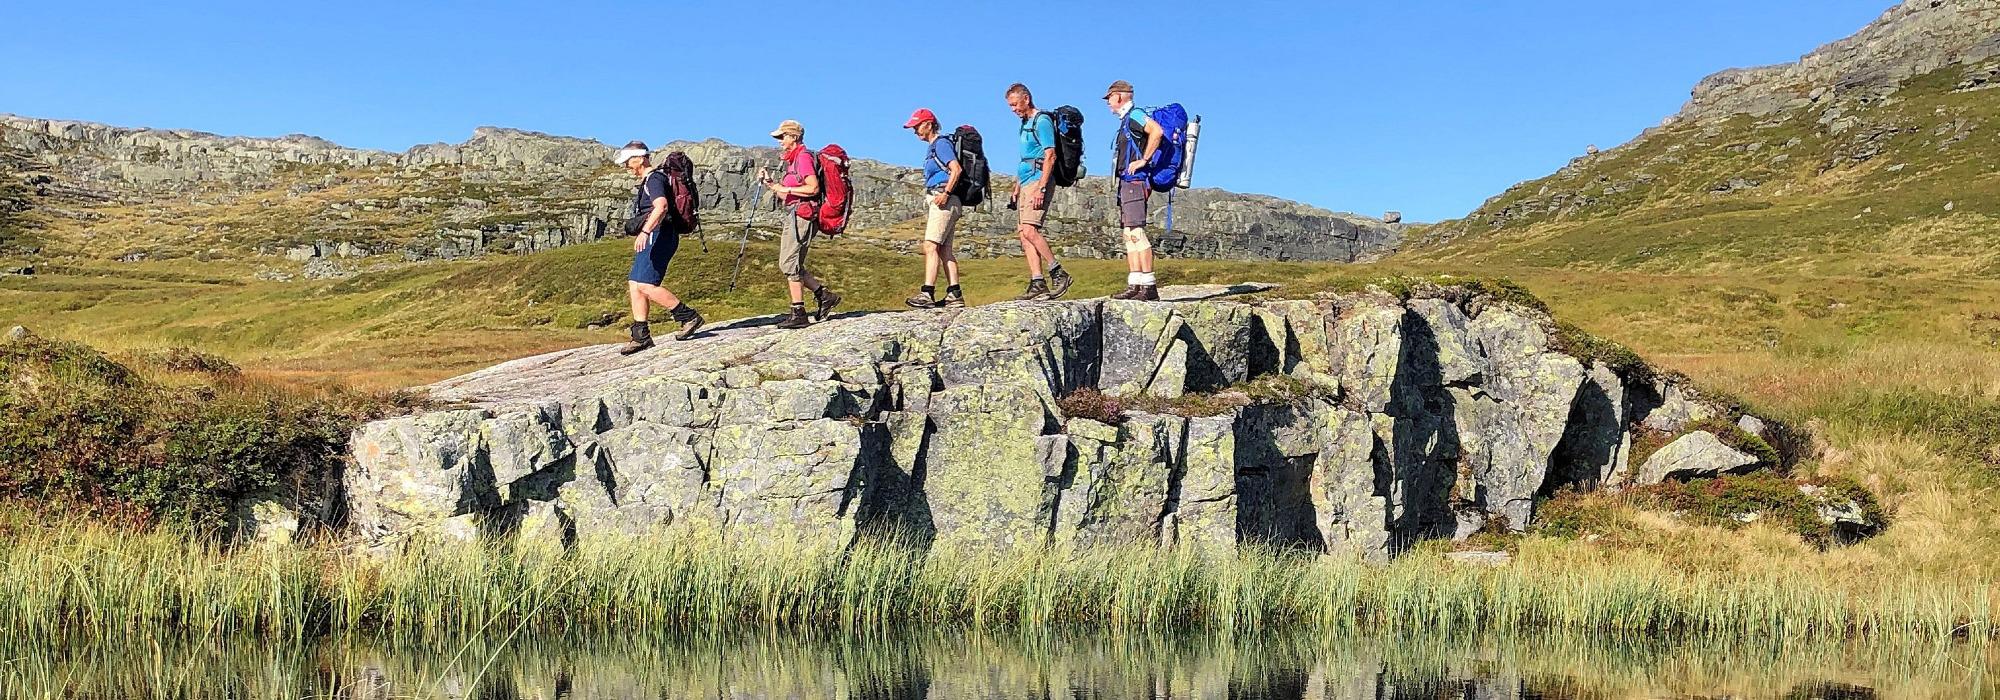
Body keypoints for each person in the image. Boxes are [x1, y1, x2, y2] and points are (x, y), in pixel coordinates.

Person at [613, 141, 702, 355]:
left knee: (645, 284)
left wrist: (645, 232)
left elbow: (661, 206)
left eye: (628, 162)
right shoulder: (653, 179)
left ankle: (688, 316)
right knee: (635, 283)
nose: (627, 167)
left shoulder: (654, 179)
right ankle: (640, 335)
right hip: (658, 233)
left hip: (659, 234)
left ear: (640, 159)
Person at [761, 120, 841, 329]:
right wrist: (771, 184)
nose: (779, 141)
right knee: (793, 263)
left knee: (788, 264)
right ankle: (824, 296)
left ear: (793, 137)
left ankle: (799, 312)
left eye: (782, 137)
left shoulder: (803, 158)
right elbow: (785, 191)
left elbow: (812, 188)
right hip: (796, 214)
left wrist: (785, 189)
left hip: (802, 215)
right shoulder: (794, 160)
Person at [1003, 83, 1073, 301]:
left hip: (1037, 179)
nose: (1013, 109)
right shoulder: (1025, 124)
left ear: (1026, 98)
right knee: (1023, 233)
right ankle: (1037, 281)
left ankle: (1057, 271)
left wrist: (1042, 187)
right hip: (1025, 180)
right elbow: (1024, 157)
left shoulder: (1041, 121)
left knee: (1030, 230)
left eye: (1015, 104)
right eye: (1010, 106)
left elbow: (1050, 155)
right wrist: (1016, 187)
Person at [1105, 80, 1165, 301]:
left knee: (1137, 232)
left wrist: (1144, 160)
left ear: (1119, 96)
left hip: (1135, 181)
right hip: (1127, 183)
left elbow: (1156, 131)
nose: (1108, 103)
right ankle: (1136, 283)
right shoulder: (1127, 121)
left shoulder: (1135, 115)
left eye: (1110, 98)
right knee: (1129, 233)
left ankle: (1148, 285)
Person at [902, 108, 967, 309]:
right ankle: (954, 293)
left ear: (929, 124)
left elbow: (956, 169)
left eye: (917, 126)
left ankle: (927, 293)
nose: (915, 131)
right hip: (948, 200)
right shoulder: (936, 145)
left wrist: (945, 193)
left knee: (930, 246)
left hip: (943, 199)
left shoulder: (941, 144)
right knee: (944, 249)